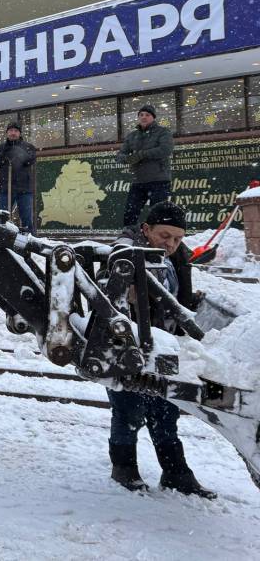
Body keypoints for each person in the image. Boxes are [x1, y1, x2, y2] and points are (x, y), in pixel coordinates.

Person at [106, 201, 216, 498]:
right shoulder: (127, 252)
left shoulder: (177, 256)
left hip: (167, 345)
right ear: (146, 229)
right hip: (129, 346)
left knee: (166, 410)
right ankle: (124, 467)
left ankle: (176, 472)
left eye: (178, 238)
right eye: (164, 235)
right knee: (129, 410)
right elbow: (118, 290)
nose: (171, 244)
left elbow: (178, 297)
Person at [116, 103, 174, 226]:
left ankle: (156, 238)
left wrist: (141, 154)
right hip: (138, 181)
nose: (144, 117)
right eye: (141, 115)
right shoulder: (132, 136)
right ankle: (128, 236)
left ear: (153, 117)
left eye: (147, 115)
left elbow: (165, 149)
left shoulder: (163, 132)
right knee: (130, 213)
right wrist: (128, 158)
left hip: (159, 180)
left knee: (157, 214)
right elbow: (119, 156)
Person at [0, 122, 36, 233]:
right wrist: (5, 151)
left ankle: (30, 240)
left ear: (20, 133)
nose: (13, 133)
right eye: (10, 131)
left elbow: (30, 160)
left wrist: (18, 152)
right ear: (7, 133)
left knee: (26, 218)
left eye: (15, 131)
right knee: (3, 218)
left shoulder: (28, 147)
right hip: (6, 188)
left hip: (24, 189)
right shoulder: (0, 147)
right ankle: (2, 238)